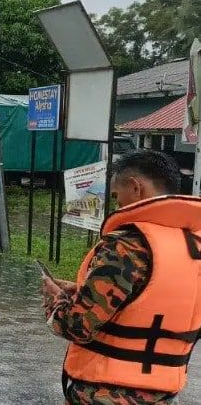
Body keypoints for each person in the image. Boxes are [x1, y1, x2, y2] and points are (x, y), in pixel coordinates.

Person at [43, 149, 201, 404]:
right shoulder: (195, 246)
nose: (116, 205)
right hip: (163, 394)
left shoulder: (125, 247)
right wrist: (83, 290)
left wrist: (56, 301)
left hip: (105, 394)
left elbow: (77, 327)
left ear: (136, 187)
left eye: (117, 196)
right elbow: (166, 304)